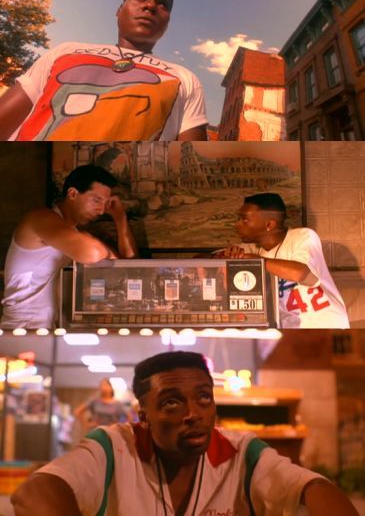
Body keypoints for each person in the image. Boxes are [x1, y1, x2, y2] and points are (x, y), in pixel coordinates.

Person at [11, 351, 358, 516]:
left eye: (204, 398)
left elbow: (312, 486)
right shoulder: (114, 448)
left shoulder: (242, 453)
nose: (193, 414)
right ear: (143, 416)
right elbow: (35, 492)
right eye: (173, 403)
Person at [0, 0, 207, 141]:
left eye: (162, 4)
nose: (150, 6)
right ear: (119, 10)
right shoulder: (65, 52)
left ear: (167, 21)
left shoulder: (185, 79)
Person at [0, 164, 137, 329]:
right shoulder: (40, 218)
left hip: (47, 328)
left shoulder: (73, 235)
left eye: (106, 203)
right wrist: (92, 242)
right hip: (22, 327)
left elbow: (129, 266)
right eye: (97, 200)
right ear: (72, 193)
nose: (101, 210)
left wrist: (120, 218)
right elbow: (92, 252)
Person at [214, 193, 350, 329]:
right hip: (290, 330)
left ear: (269, 224)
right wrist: (226, 255)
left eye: (244, 220)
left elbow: (299, 273)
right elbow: (203, 258)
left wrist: (252, 260)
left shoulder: (303, 236)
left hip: (326, 325)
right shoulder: (252, 249)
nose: (237, 225)